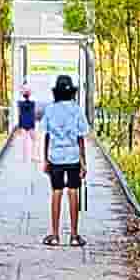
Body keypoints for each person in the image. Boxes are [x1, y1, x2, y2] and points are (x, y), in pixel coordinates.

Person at [36, 74, 90, 244]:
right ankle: (74, 236)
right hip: (73, 156)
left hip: (55, 157)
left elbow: (46, 136)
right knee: (73, 191)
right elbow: (81, 137)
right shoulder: (77, 109)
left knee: (56, 192)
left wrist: (45, 159)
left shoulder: (50, 110)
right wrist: (83, 162)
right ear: (71, 92)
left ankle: (54, 235)